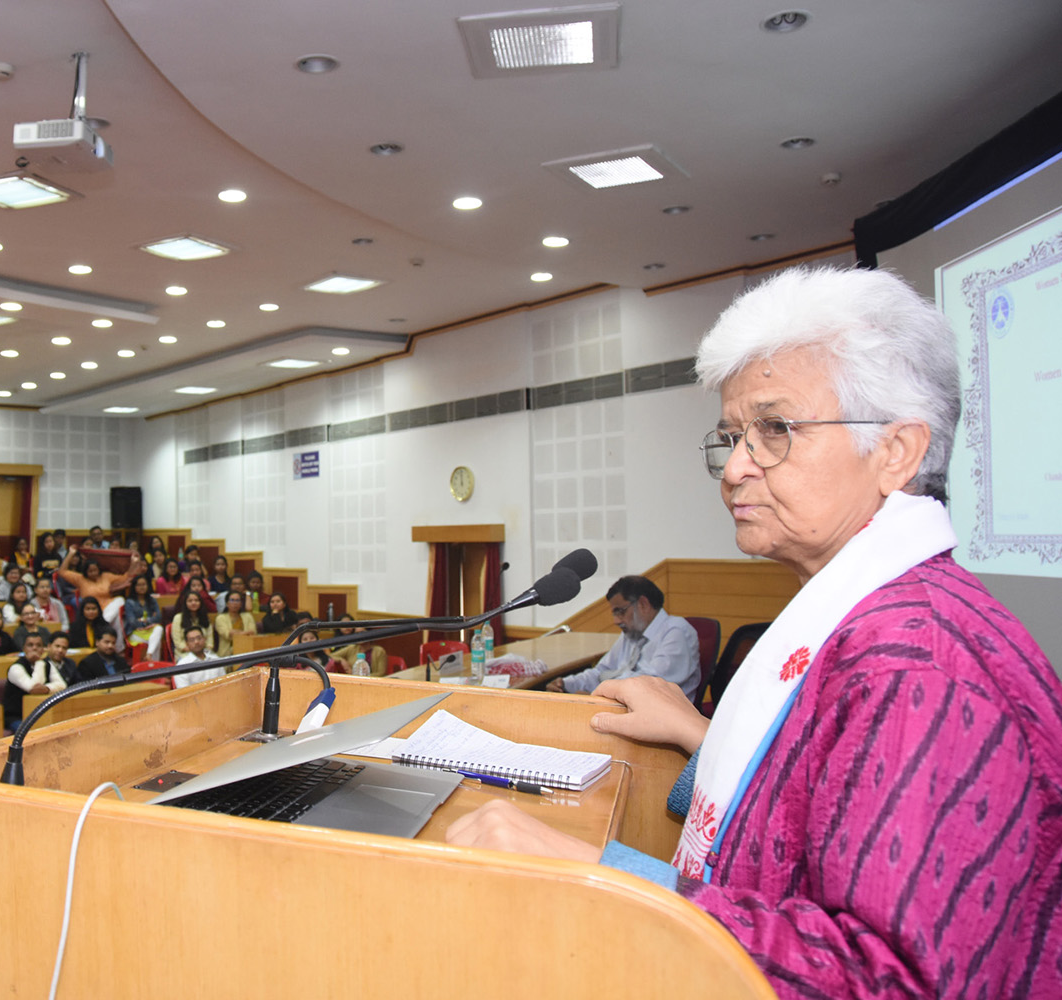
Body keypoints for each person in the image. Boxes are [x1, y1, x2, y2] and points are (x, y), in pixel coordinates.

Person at [444, 267, 1062, 997]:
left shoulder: (916, 661)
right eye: (732, 435)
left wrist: (598, 873)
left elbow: (882, 981)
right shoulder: (866, 607)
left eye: (775, 430)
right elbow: (811, 813)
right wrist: (701, 737)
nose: (735, 468)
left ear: (895, 452)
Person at [546, 576, 700, 701]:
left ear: (643, 604)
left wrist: (596, 696)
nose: (616, 621)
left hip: (665, 721)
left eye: (620, 611)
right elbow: (602, 671)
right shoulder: (632, 633)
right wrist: (566, 684)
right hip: (627, 711)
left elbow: (647, 685)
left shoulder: (676, 632)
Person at [58, 544, 144, 636]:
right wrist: (71, 553)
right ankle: (117, 645)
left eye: (95, 570)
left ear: (99, 570)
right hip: (91, 610)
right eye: (90, 571)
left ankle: (104, 624)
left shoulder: (106, 576)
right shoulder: (80, 579)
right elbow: (62, 572)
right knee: (117, 621)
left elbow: (125, 577)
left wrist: (134, 563)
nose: (93, 573)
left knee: (120, 600)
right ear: (85, 572)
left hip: (108, 609)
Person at [2, 632, 67, 729]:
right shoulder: (16, 667)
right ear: (24, 648)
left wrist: (47, 689)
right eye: (30, 645)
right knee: (31, 732)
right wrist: (39, 663)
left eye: (38, 645)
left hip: (39, 715)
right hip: (16, 716)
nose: (34, 648)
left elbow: (62, 685)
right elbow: (34, 689)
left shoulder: (48, 664)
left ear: (43, 649)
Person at [123, 574, 164, 659]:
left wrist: (144, 622)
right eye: (139, 585)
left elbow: (158, 617)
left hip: (148, 630)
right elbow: (132, 622)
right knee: (156, 641)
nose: (142, 587)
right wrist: (149, 622)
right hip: (135, 633)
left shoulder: (151, 600)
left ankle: (149, 655)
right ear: (134, 587)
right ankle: (155, 667)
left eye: (144, 584)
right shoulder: (129, 602)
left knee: (159, 629)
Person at [169, 590, 216, 657]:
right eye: (190, 601)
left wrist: (204, 651)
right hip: (185, 653)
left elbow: (210, 641)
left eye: (196, 600)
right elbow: (177, 642)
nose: (193, 603)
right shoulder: (178, 618)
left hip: (204, 652)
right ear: (185, 603)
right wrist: (193, 650)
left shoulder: (205, 618)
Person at [212, 590, 255, 658]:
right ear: (227, 603)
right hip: (226, 655)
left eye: (237, 600)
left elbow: (252, 633)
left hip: (246, 652)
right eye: (232, 600)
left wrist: (235, 632)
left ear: (241, 603)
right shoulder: (220, 618)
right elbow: (228, 635)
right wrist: (245, 633)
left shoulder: (248, 616)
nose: (235, 603)